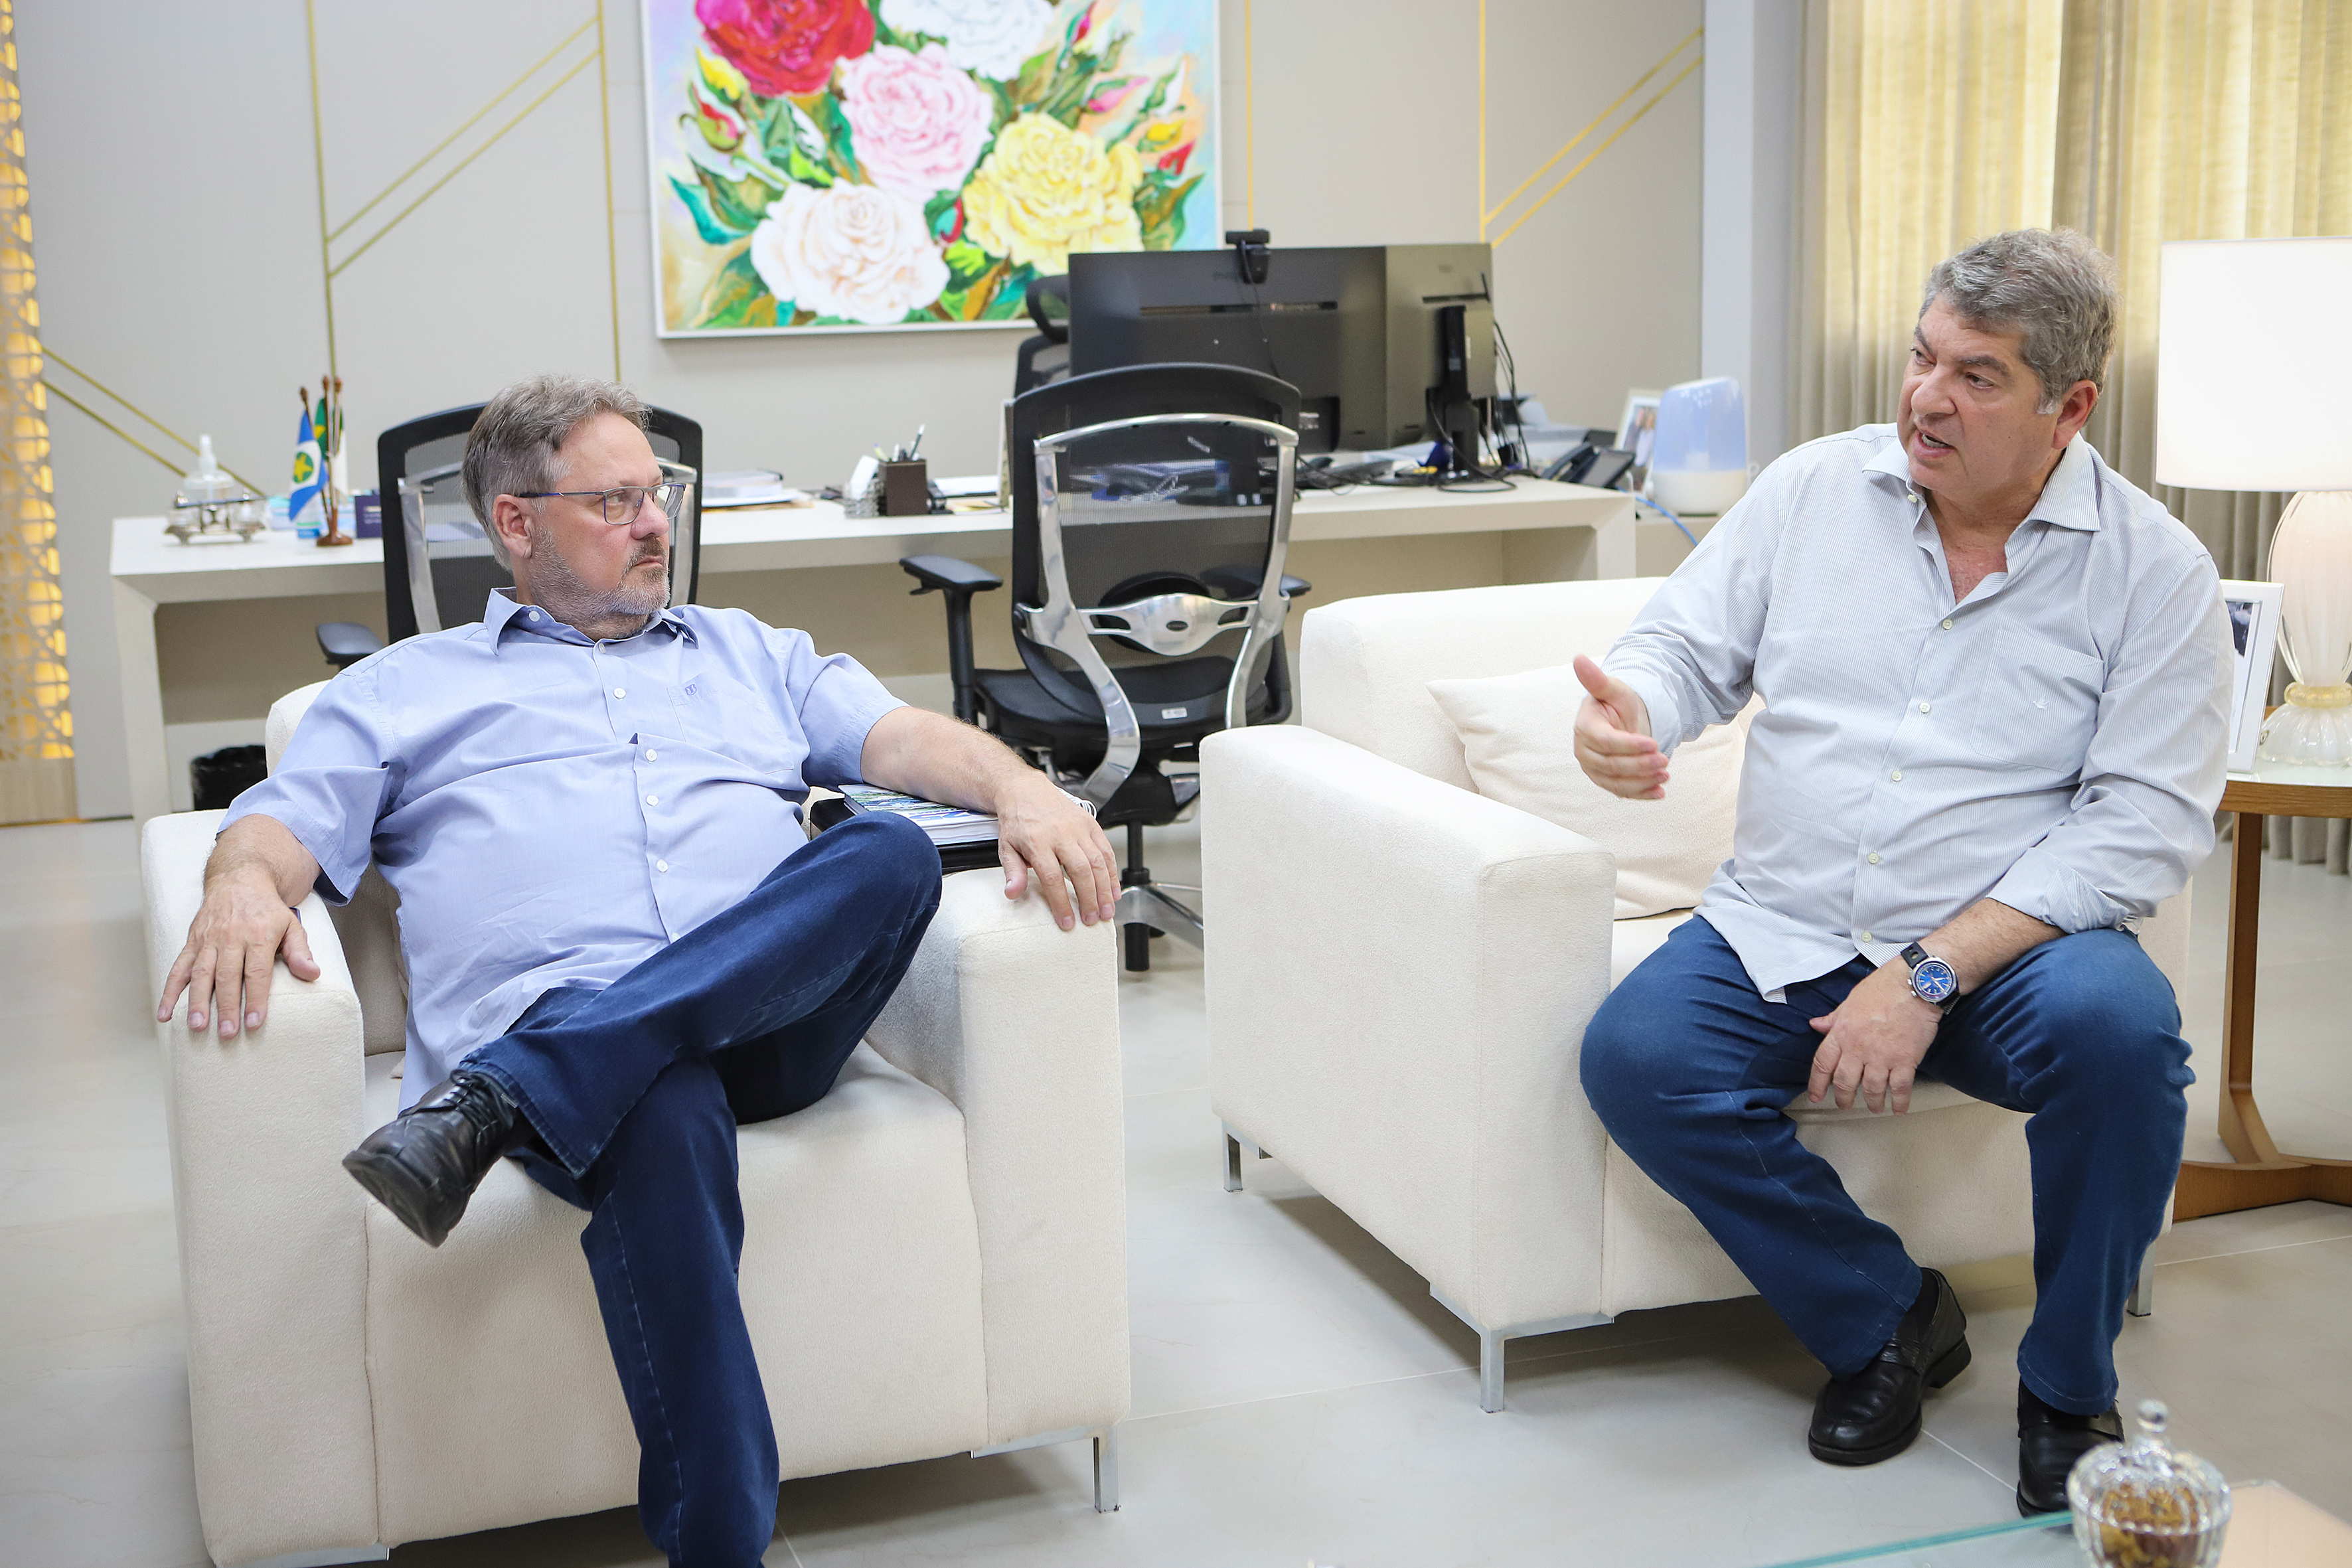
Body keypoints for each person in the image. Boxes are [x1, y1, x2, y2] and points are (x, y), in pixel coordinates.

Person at [153, 374, 1119, 1568]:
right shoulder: (404, 689)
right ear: (516, 523)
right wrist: (241, 884)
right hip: (569, 1019)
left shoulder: (748, 653)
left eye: (659, 495)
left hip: (770, 1023)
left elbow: (903, 738)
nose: (656, 523)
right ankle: (722, 1546)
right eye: (615, 502)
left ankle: (517, 1088)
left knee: (886, 854)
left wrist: (1022, 786)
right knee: (655, 1095)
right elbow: (277, 822)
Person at [1571, 230, 2228, 1516]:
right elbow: (1680, 647)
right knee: (1638, 1057)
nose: (1926, 396)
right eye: (1922, 356)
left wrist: (1925, 972)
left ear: (2068, 408)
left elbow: (2143, 822)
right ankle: (1885, 1316)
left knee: (2124, 1035)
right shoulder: (1812, 489)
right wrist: (1630, 714)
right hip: (1788, 916)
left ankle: (2065, 1386)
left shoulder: (2155, 572)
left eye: (1977, 377)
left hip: (2007, 952)